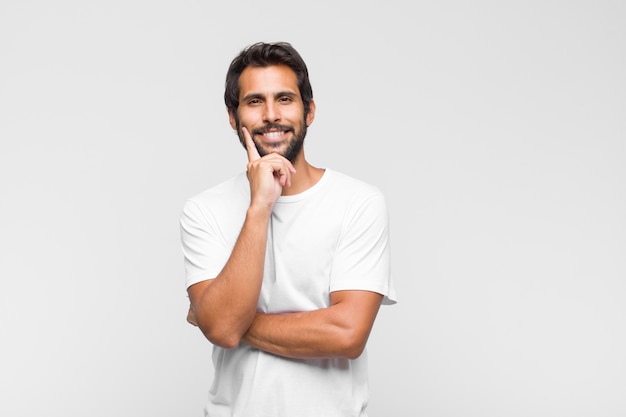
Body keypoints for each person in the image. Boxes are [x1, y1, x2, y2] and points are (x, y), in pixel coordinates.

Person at [180, 41, 397, 417]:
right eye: (253, 102)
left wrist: (225, 319)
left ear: (308, 111)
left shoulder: (358, 202)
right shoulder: (204, 210)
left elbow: (347, 334)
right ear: (233, 117)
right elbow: (223, 330)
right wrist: (260, 205)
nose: (270, 115)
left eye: (284, 99)